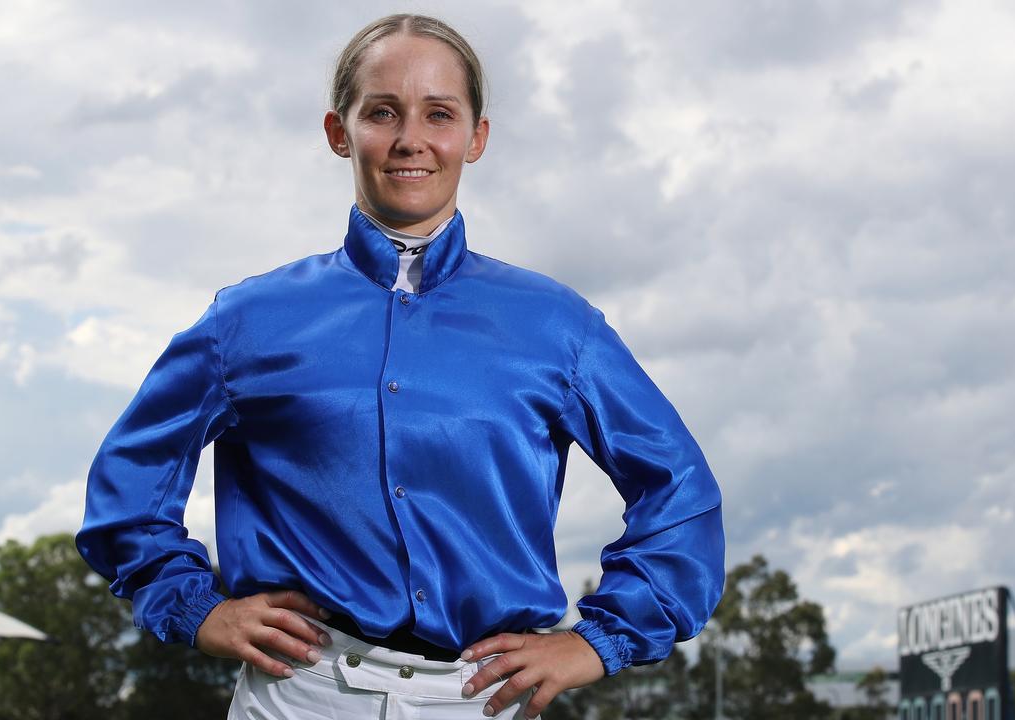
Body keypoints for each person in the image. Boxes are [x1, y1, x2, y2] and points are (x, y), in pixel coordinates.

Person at [75, 13, 725, 719]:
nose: (411, 139)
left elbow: (680, 491)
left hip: (485, 696)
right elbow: (128, 492)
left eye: (439, 114)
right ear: (338, 132)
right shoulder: (246, 320)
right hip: (299, 694)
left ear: (475, 137)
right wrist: (195, 607)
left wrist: (601, 640)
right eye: (382, 112)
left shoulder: (556, 325)